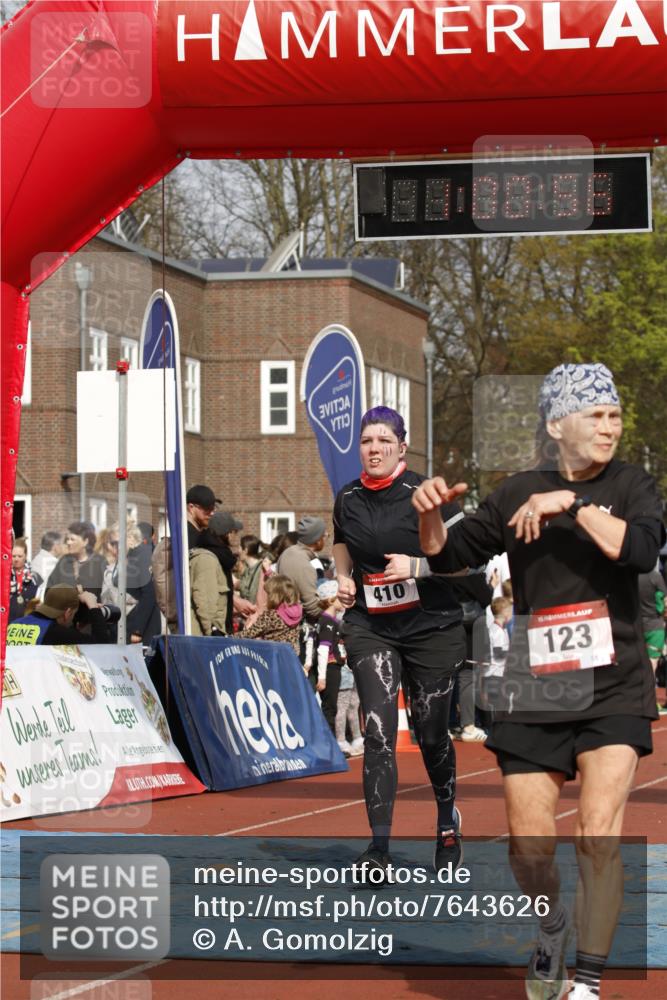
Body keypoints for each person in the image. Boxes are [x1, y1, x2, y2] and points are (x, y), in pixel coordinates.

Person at [412, 363, 665, 1000]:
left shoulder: (632, 484)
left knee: (596, 832)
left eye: (614, 415)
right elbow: (447, 557)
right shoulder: (515, 491)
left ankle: (587, 983)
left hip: (613, 681)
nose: (609, 427)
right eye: (595, 415)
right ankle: (551, 924)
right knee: (529, 848)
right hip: (538, 683)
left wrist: (573, 504)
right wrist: (429, 517)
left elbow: (639, 551)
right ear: (557, 425)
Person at [333, 405, 467, 878]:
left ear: (401, 447)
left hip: (431, 627)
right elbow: (342, 541)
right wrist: (343, 576)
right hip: (372, 626)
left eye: (384, 441)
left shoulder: (424, 494)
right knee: (378, 732)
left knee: (431, 736)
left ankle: (447, 822)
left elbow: (468, 561)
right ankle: (378, 848)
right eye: (367, 441)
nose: (374, 450)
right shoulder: (348, 497)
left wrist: (418, 567)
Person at [7, 584, 119, 645]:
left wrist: (75, 629)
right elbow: (101, 645)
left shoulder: (14, 625)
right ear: (67, 613)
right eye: (73, 614)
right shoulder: (55, 633)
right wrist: (93, 607)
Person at [199, 511, 257, 626]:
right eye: (234, 532)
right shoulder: (215, 556)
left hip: (220, 619)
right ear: (228, 534)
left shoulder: (215, 553)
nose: (235, 536)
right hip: (216, 624)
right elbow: (209, 595)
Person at [314, 579, 347, 735]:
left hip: (333, 666)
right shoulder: (327, 621)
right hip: (329, 667)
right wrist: (322, 677)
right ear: (331, 600)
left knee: (331, 707)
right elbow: (323, 649)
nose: (344, 600)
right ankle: (329, 743)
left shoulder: (331, 621)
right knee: (329, 707)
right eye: (340, 597)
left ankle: (329, 742)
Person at [189, 517, 230, 637]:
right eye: (232, 532)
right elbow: (205, 600)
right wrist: (212, 630)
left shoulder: (212, 557)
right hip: (203, 635)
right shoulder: (206, 560)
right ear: (224, 535)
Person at [240, 574, 303, 653]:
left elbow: (249, 634)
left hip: (272, 656)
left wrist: (229, 637)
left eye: (268, 594)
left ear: (274, 596)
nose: (266, 597)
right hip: (291, 656)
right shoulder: (297, 611)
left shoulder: (271, 616)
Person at [46, 521, 106, 597]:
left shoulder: (100, 562)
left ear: (85, 541)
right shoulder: (64, 561)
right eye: (67, 539)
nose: (68, 542)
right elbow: (50, 589)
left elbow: (106, 593)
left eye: (72, 539)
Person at [637, 565, 667, 713]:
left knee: (639, 663)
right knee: (652, 664)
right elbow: (664, 600)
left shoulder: (632, 575)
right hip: (655, 626)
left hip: (638, 624)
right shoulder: (655, 576)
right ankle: (650, 702)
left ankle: (640, 700)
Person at [9, 538, 42, 622]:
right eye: (13, 556)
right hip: (8, 622)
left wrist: (41, 606)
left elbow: (42, 598)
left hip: (29, 623)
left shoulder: (35, 576)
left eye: (20, 556)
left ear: (26, 555)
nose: (16, 559)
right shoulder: (4, 575)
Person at [186, 484, 219, 549]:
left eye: (213, 508)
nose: (212, 513)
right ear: (191, 507)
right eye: (207, 508)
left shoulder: (199, 535)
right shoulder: (189, 537)